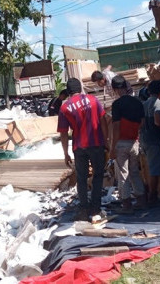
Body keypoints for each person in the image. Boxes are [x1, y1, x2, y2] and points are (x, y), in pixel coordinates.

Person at [58, 78, 108, 221]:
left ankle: (84, 209)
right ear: (80, 88)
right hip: (96, 143)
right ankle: (95, 209)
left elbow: (63, 133)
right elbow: (103, 120)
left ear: (68, 92)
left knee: (81, 178)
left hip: (79, 147)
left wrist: (66, 153)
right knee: (98, 176)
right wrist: (106, 141)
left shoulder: (65, 107)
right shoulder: (93, 100)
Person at [110, 75, 146, 212]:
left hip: (121, 144)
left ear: (114, 89)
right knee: (135, 172)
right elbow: (142, 123)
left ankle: (126, 205)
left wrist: (113, 147)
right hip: (134, 142)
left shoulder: (116, 105)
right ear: (126, 86)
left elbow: (116, 127)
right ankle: (141, 200)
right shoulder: (137, 102)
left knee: (123, 174)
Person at [141, 79, 160, 205]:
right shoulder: (159, 103)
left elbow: (141, 123)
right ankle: (152, 196)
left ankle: (149, 193)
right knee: (154, 170)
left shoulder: (144, 104)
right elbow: (157, 121)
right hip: (154, 140)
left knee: (149, 167)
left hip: (144, 138)